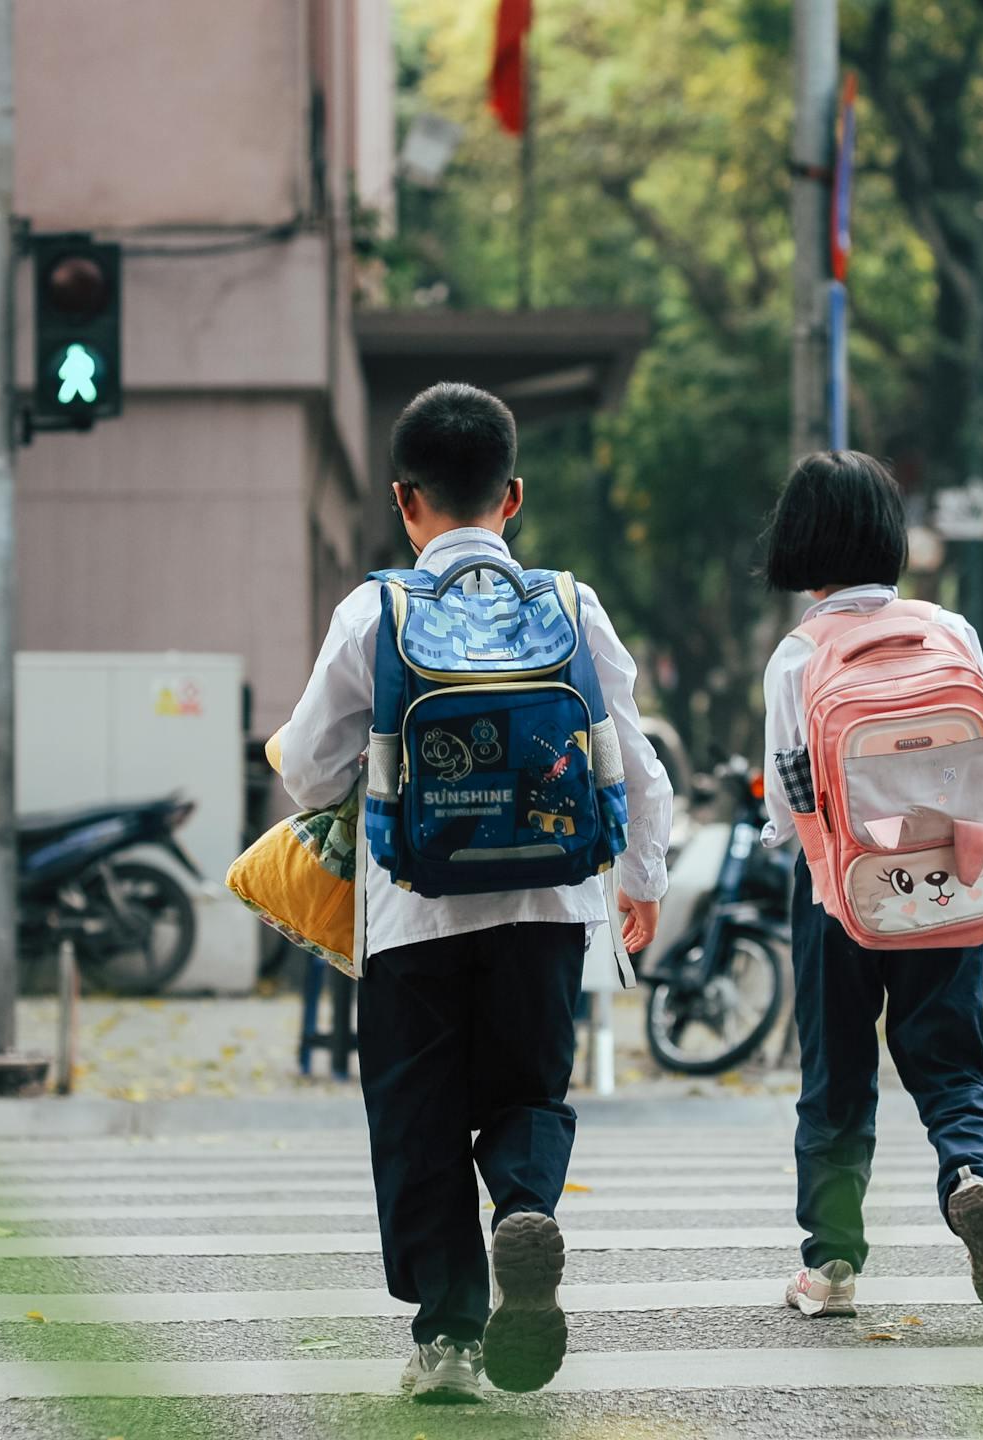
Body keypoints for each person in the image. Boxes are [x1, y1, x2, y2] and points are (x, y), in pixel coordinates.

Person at [277, 382, 672, 1404]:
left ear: (405, 500)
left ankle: (447, 1342)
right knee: (530, 1091)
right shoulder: (572, 605)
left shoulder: (375, 609)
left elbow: (312, 773)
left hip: (412, 914)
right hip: (549, 908)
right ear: (514, 496)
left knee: (416, 1118)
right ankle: (523, 1209)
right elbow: (630, 759)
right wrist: (643, 881)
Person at [757, 450, 983, 1320]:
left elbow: (783, 804)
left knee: (837, 1079)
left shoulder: (796, 659)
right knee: (953, 1061)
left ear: (801, 542)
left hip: (843, 898)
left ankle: (832, 1268)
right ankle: (971, 1174)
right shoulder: (951, 633)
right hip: (951, 888)